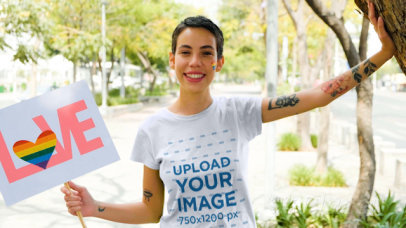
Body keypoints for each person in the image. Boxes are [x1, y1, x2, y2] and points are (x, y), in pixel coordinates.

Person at [61, 2, 395, 227]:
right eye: (185, 52)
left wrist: (383, 54)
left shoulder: (240, 113)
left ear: (218, 62)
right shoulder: (152, 129)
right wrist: (94, 208)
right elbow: (151, 210)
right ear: (172, 60)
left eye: (206, 53)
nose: (195, 62)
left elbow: (320, 95)